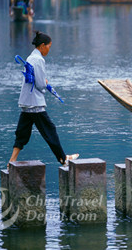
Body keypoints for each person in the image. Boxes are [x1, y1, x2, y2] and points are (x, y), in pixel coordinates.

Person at [8, 31, 79, 168]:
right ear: (42, 46)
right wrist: (45, 82)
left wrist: (42, 81)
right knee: (50, 130)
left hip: (26, 102)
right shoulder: (39, 60)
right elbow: (40, 85)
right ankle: (63, 159)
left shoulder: (30, 58)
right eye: (48, 46)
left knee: (22, 133)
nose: (49, 49)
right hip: (35, 104)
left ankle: (12, 161)